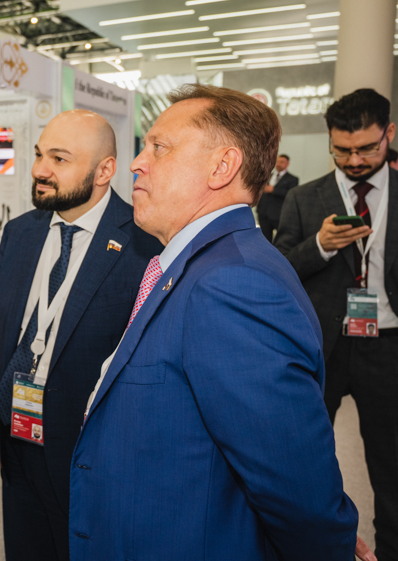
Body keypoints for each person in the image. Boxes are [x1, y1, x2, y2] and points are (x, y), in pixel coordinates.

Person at [69, 84, 362, 561]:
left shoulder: (232, 284)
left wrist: (330, 545)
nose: (137, 162)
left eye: (159, 147)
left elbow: (294, 483)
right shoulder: (202, 265)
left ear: (222, 167)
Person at [0, 110, 161, 561]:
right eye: (39, 155)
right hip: (16, 431)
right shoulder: (20, 233)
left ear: (104, 171)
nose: (40, 169)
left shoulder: (145, 242)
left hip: (90, 451)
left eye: (59, 159)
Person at [276, 87, 398, 561]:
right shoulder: (304, 198)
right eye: (342, 150)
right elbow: (280, 268)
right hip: (321, 343)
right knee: (304, 457)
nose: (355, 160)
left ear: (389, 133)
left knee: (389, 462)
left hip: (387, 344)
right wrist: (321, 246)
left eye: (366, 148)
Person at [256, 152, 298, 242]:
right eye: (277, 161)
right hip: (263, 213)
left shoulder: (292, 179)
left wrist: (274, 190)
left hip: (279, 214)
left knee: (280, 240)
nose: (278, 164)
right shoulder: (267, 176)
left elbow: (291, 194)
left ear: (287, 163)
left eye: (282, 162)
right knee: (264, 240)